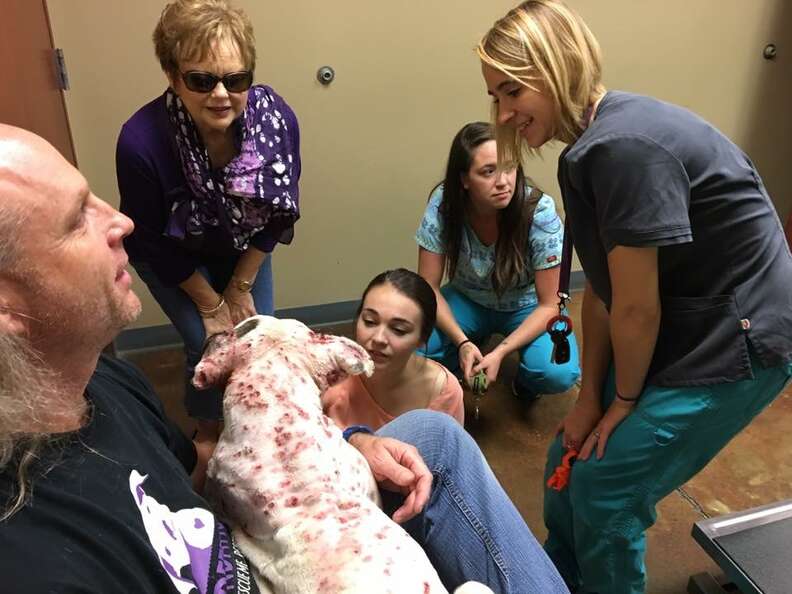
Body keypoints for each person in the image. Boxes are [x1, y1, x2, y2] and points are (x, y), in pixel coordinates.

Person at [0, 126, 569, 593]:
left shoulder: (108, 382)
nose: (121, 221)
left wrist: (347, 445)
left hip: (290, 539)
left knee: (431, 436)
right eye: (78, 218)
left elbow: (196, 470)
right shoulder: (36, 553)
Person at [477, 2, 792, 593]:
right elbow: (600, 291)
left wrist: (622, 402)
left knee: (608, 487)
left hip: (745, 333)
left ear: (556, 65)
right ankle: (559, 581)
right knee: (564, 461)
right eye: (495, 95)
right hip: (687, 311)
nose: (503, 111)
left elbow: (638, 308)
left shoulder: (622, 147)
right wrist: (590, 401)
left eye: (513, 88)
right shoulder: (589, 148)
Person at [116, 0, 301, 441]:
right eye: (201, 80)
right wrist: (211, 305)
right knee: (211, 344)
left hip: (241, 245)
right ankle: (208, 435)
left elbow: (278, 214)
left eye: (235, 79)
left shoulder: (276, 122)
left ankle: (251, 431)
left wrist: (238, 287)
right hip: (170, 254)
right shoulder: (140, 142)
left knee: (253, 344)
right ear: (173, 77)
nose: (221, 94)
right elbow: (153, 244)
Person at [416, 121, 580, 400]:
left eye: (509, 166)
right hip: (467, 298)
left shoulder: (539, 213)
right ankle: (466, 354)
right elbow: (426, 287)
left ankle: (527, 383)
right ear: (464, 179)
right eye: (488, 171)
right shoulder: (444, 204)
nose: (503, 181)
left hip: (526, 304)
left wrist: (502, 351)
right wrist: (462, 341)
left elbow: (551, 303)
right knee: (410, 345)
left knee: (557, 371)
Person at [322, 268, 465, 430]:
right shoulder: (329, 373)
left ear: (422, 339)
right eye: (370, 321)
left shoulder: (443, 392)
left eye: (398, 330)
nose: (378, 338)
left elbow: (446, 453)